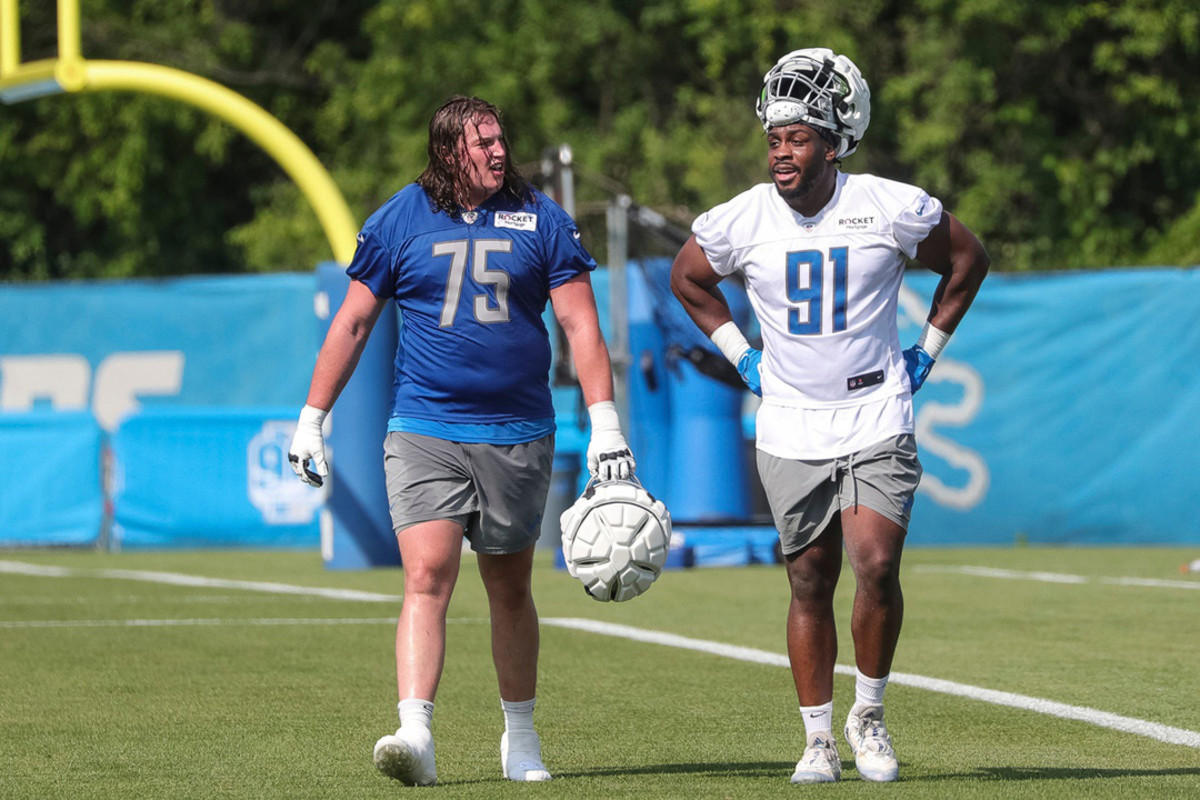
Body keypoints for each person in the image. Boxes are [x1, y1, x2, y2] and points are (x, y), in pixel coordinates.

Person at [287, 95, 635, 786]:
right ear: (450, 151)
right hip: (425, 427)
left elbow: (581, 327)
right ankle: (416, 732)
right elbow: (354, 323)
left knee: (509, 586)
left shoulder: (540, 217)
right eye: (483, 143)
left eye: (502, 139)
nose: (499, 151)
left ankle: (521, 737)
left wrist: (606, 425)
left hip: (518, 432)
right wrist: (311, 417)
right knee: (427, 575)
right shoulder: (399, 217)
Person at [671, 48, 989, 784]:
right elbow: (689, 278)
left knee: (875, 564)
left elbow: (967, 259)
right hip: (790, 420)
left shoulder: (887, 204)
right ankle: (817, 737)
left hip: (877, 409)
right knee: (809, 580)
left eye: (799, 138)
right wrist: (741, 356)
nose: (783, 153)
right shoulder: (741, 217)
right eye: (775, 139)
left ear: (834, 142)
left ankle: (868, 715)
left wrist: (928, 352)